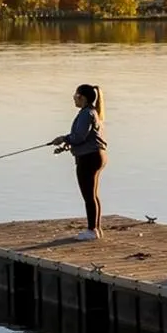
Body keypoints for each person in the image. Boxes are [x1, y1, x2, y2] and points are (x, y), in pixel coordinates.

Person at [53, 84, 108, 240]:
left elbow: (79, 137)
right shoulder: (92, 112)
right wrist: (68, 143)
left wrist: (64, 138)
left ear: (82, 98)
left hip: (89, 158)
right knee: (92, 195)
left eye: (75, 96)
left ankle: (92, 231)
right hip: (97, 156)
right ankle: (96, 229)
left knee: (89, 196)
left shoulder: (86, 114)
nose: (74, 99)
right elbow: (85, 137)